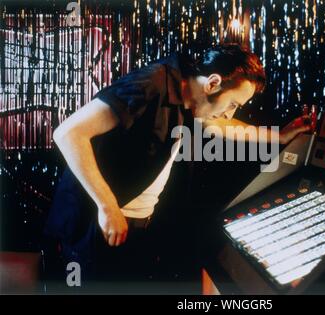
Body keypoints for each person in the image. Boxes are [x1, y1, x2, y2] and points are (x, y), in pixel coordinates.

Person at [43, 44, 311, 292]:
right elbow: (68, 133)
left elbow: (222, 127)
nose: (231, 113)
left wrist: (280, 137)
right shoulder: (151, 84)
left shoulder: (190, 98)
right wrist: (107, 206)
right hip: (92, 225)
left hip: (130, 226)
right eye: (232, 104)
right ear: (213, 83)